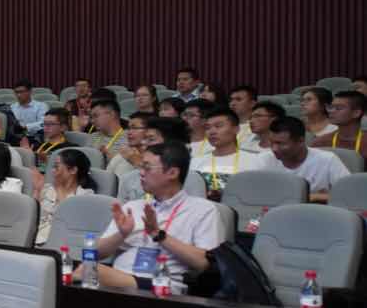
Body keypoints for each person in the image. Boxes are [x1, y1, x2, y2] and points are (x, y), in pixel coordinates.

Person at [79, 141, 223, 293]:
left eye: (147, 168)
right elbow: (94, 254)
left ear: (172, 173)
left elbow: (204, 264)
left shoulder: (202, 210)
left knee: (89, 272)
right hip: (120, 279)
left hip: (163, 285)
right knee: (86, 269)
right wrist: (121, 234)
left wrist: (159, 235)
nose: (140, 173)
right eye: (141, 167)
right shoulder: (133, 207)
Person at [190, 106, 276, 192]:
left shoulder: (257, 161)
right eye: (207, 128)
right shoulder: (195, 162)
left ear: (236, 129)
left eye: (218, 126)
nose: (212, 132)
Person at [268, 117, 349, 202]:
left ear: (300, 141)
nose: (274, 149)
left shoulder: (327, 160)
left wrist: (315, 197)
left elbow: (349, 193)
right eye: (271, 142)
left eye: (280, 143)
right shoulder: (265, 160)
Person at [34, 147, 96, 245]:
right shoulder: (47, 188)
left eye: (56, 167)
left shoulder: (85, 196)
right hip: (34, 239)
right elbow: (32, 218)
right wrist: (37, 190)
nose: (53, 171)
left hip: (62, 244)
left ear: (73, 170)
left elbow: (70, 223)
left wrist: (59, 189)